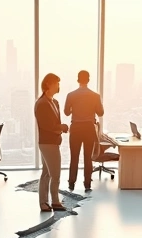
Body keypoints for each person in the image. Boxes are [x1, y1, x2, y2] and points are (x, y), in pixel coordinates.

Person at [63, 70, 104, 192]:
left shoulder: (71, 95)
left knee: (74, 156)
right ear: (88, 80)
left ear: (78, 80)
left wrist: (73, 109)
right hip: (89, 128)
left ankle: (71, 183)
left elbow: (66, 112)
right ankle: (87, 184)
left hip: (75, 128)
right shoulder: (95, 96)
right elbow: (101, 112)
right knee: (87, 157)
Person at [35, 73, 68, 212]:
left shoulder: (54, 102)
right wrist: (62, 128)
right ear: (48, 84)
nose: (58, 86)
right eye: (56, 83)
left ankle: (44, 202)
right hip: (47, 142)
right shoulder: (42, 103)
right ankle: (54, 201)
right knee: (55, 174)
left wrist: (60, 128)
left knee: (47, 173)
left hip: (53, 141)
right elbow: (47, 126)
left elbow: (56, 123)